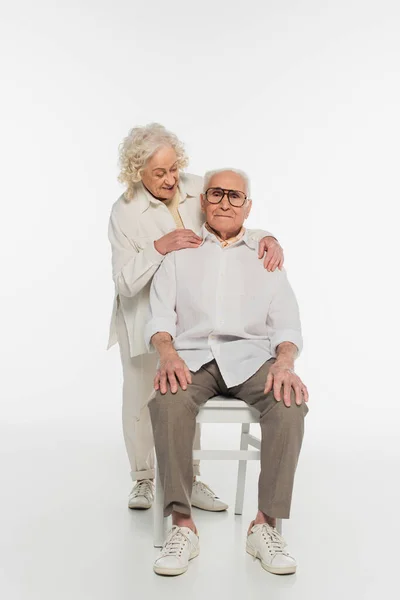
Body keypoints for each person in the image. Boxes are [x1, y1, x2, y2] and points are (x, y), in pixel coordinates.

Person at [108, 124, 284, 511]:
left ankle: (191, 477)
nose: (171, 179)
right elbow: (123, 282)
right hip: (142, 316)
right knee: (141, 399)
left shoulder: (194, 186)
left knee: (186, 390)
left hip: (189, 318)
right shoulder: (125, 212)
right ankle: (142, 479)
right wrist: (159, 247)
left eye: (174, 168)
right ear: (138, 172)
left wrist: (266, 236)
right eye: (160, 173)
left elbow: (231, 218)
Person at [145, 168, 309, 576]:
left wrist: (285, 362)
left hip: (251, 358)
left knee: (289, 405)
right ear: (203, 201)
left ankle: (264, 525)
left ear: (248, 206)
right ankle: (182, 525)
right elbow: (160, 315)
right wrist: (166, 353)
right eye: (216, 193)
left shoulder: (264, 255)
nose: (224, 201)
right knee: (166, 401)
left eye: (235, 196)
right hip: (193, 357)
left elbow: (286, 320)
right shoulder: (181, 253)